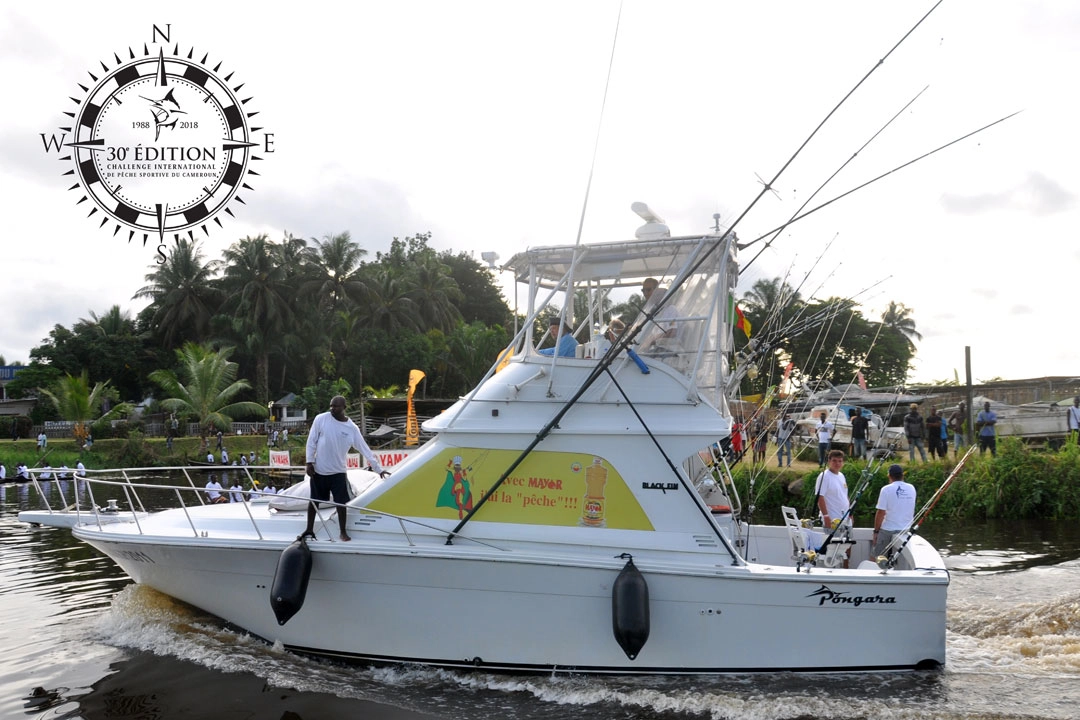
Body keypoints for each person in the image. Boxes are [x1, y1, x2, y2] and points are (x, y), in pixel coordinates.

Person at [303, 395, 390, 541]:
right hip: (319, 470)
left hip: (338, 472)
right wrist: (309, 462)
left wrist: (378, 469)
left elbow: (365, 449)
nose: (332, 408)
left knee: (341, 504)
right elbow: (311, 441)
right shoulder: (321, 419)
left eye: (336, 406)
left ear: (344, 407)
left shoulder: (352, 428)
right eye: (331, 405)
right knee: (313, 501)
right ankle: (309, 529)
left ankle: (343, 532)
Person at [814, 450, 852, 566]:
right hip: (833, 520)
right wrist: (826, 516)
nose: (837, 463)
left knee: (847, 547)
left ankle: (846, 571)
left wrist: (850, 513)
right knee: (833, 550)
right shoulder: (824, 476)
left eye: (840, 461)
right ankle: (833, 570)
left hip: (845, 519)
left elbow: (844, 495)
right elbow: (820, 497)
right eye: (834, 461)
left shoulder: (841, 476)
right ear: (829, 461)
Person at [872, 464, 917, 558]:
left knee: (876, 557)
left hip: (888, 530)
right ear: (902, 475)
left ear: (889, 475)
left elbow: (881, 513)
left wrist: (876, 532)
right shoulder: (911, 488)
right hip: (905, 529)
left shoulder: (886, 489)